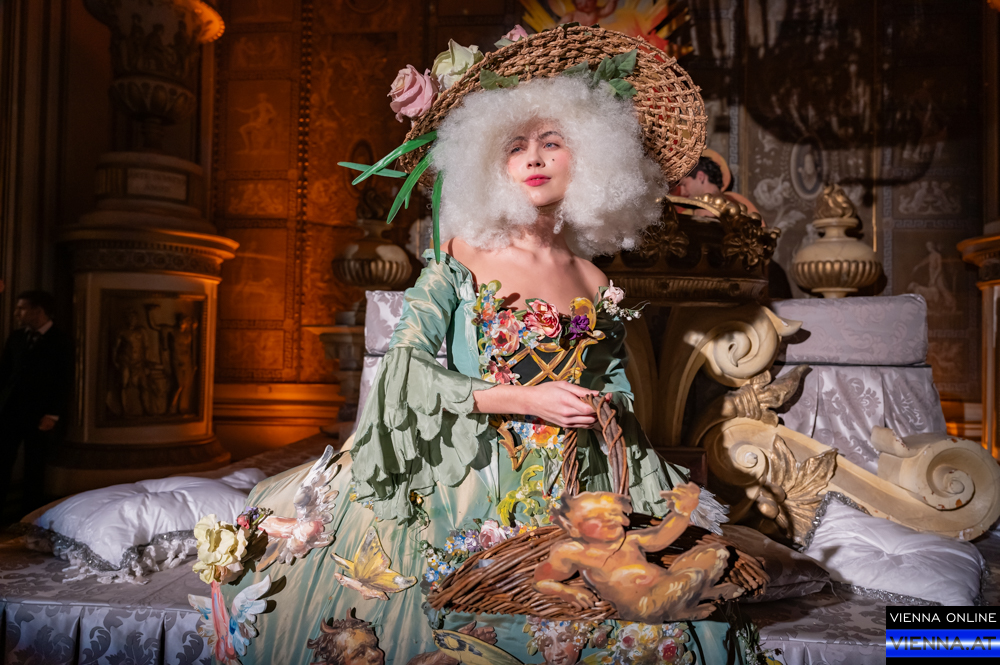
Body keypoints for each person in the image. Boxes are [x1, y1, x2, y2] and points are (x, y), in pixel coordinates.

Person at [222, 35, 749, 665]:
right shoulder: (462, 254)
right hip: (467, 471)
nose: (533, 158)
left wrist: (604, 414)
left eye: (552, 141)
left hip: (579, 479)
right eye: (514, 145)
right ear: (487, 162)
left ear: (593, 156)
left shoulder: (595, 280)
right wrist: (526, 399)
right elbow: (404, 371)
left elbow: (613, 390)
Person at [0, 290, 73, 517]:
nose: (17, 313)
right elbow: (5, 373)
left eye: (21, 308)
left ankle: (28, 517)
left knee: (35, 466)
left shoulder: (61, 340)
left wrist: (53, 414)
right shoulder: (17, 337)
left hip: (41, 415)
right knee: (2, 461)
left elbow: (64, 380)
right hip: (11, 411)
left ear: (37, 311)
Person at [672, 149, 760, 217]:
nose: (682, 192)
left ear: (700, 177)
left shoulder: (706, 209)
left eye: (684, 184)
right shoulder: (733, 203)